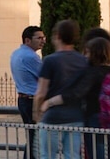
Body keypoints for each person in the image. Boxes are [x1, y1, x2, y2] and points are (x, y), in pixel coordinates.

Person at [34, 20, 87, 159]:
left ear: (57, 36)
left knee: (47, 155)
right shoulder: (83, 61)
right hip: (76, 116)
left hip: (53, 117)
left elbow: (41, 92)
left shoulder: (50, 60)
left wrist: (37, 113)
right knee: (73, 155)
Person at [11, 25, 46, 158]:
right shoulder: (31, 57)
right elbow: (45, 76)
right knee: (36, 139)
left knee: (32, 137)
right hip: (32, 101)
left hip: (24, 99)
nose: (43, 41)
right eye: (39, 38)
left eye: (43, 37)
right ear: (27, 40)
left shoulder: (16, 53)